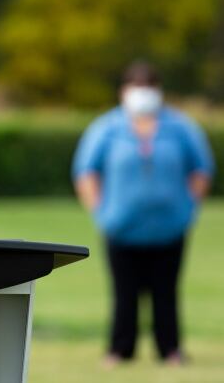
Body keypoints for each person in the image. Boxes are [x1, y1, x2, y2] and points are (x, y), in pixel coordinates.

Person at [72, 61, 214, 366]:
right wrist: (100, 210)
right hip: (121, 226)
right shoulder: (107, 128)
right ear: (124, 92)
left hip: (169, 226)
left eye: (149, 87)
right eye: (137, 88)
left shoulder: (180, 128)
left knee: (166, 292)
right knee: (124, 293)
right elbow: (86, 172)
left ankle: (170, 349)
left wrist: (189, 208)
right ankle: (120, 349)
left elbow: (201, 170)